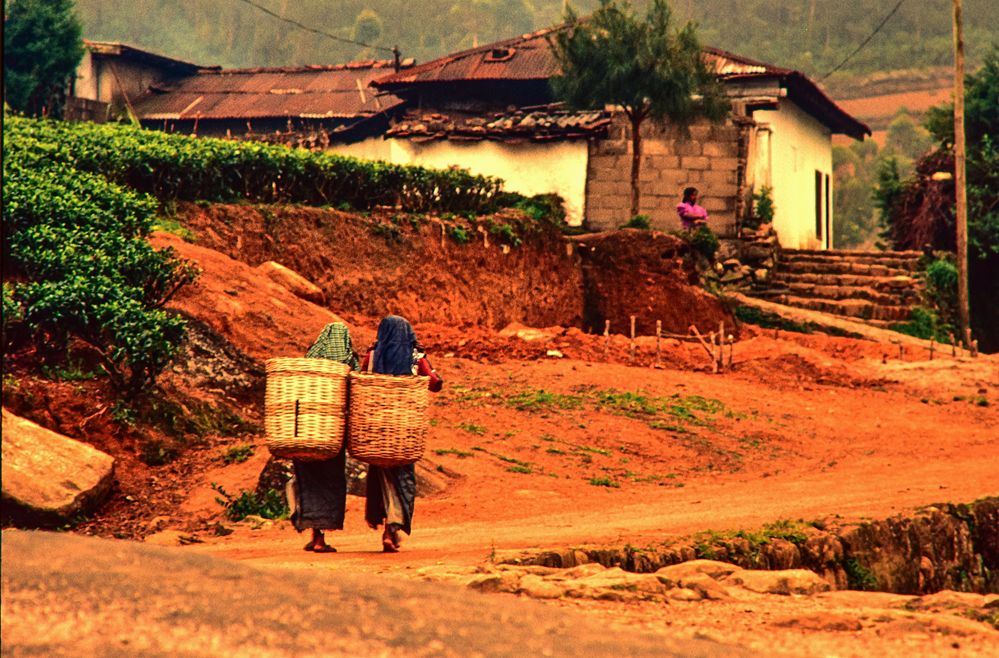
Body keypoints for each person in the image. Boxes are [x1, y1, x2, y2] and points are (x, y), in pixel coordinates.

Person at [360, 315, 443, 552]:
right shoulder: (416, 357)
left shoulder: (373, 354)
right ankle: (391, 528)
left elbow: (361, 377)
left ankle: (387, 525)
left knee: (382, 476)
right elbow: (435, 382)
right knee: (403, 479)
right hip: (403, 432)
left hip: (376, 430)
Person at [291, 322, 359, 553]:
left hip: (307, 432)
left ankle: (315, 534)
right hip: (331, 436)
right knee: (330, 483)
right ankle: (320, 539)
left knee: (309, 483)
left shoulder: (309, 361)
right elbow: (359, 394)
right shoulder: (349, 364)